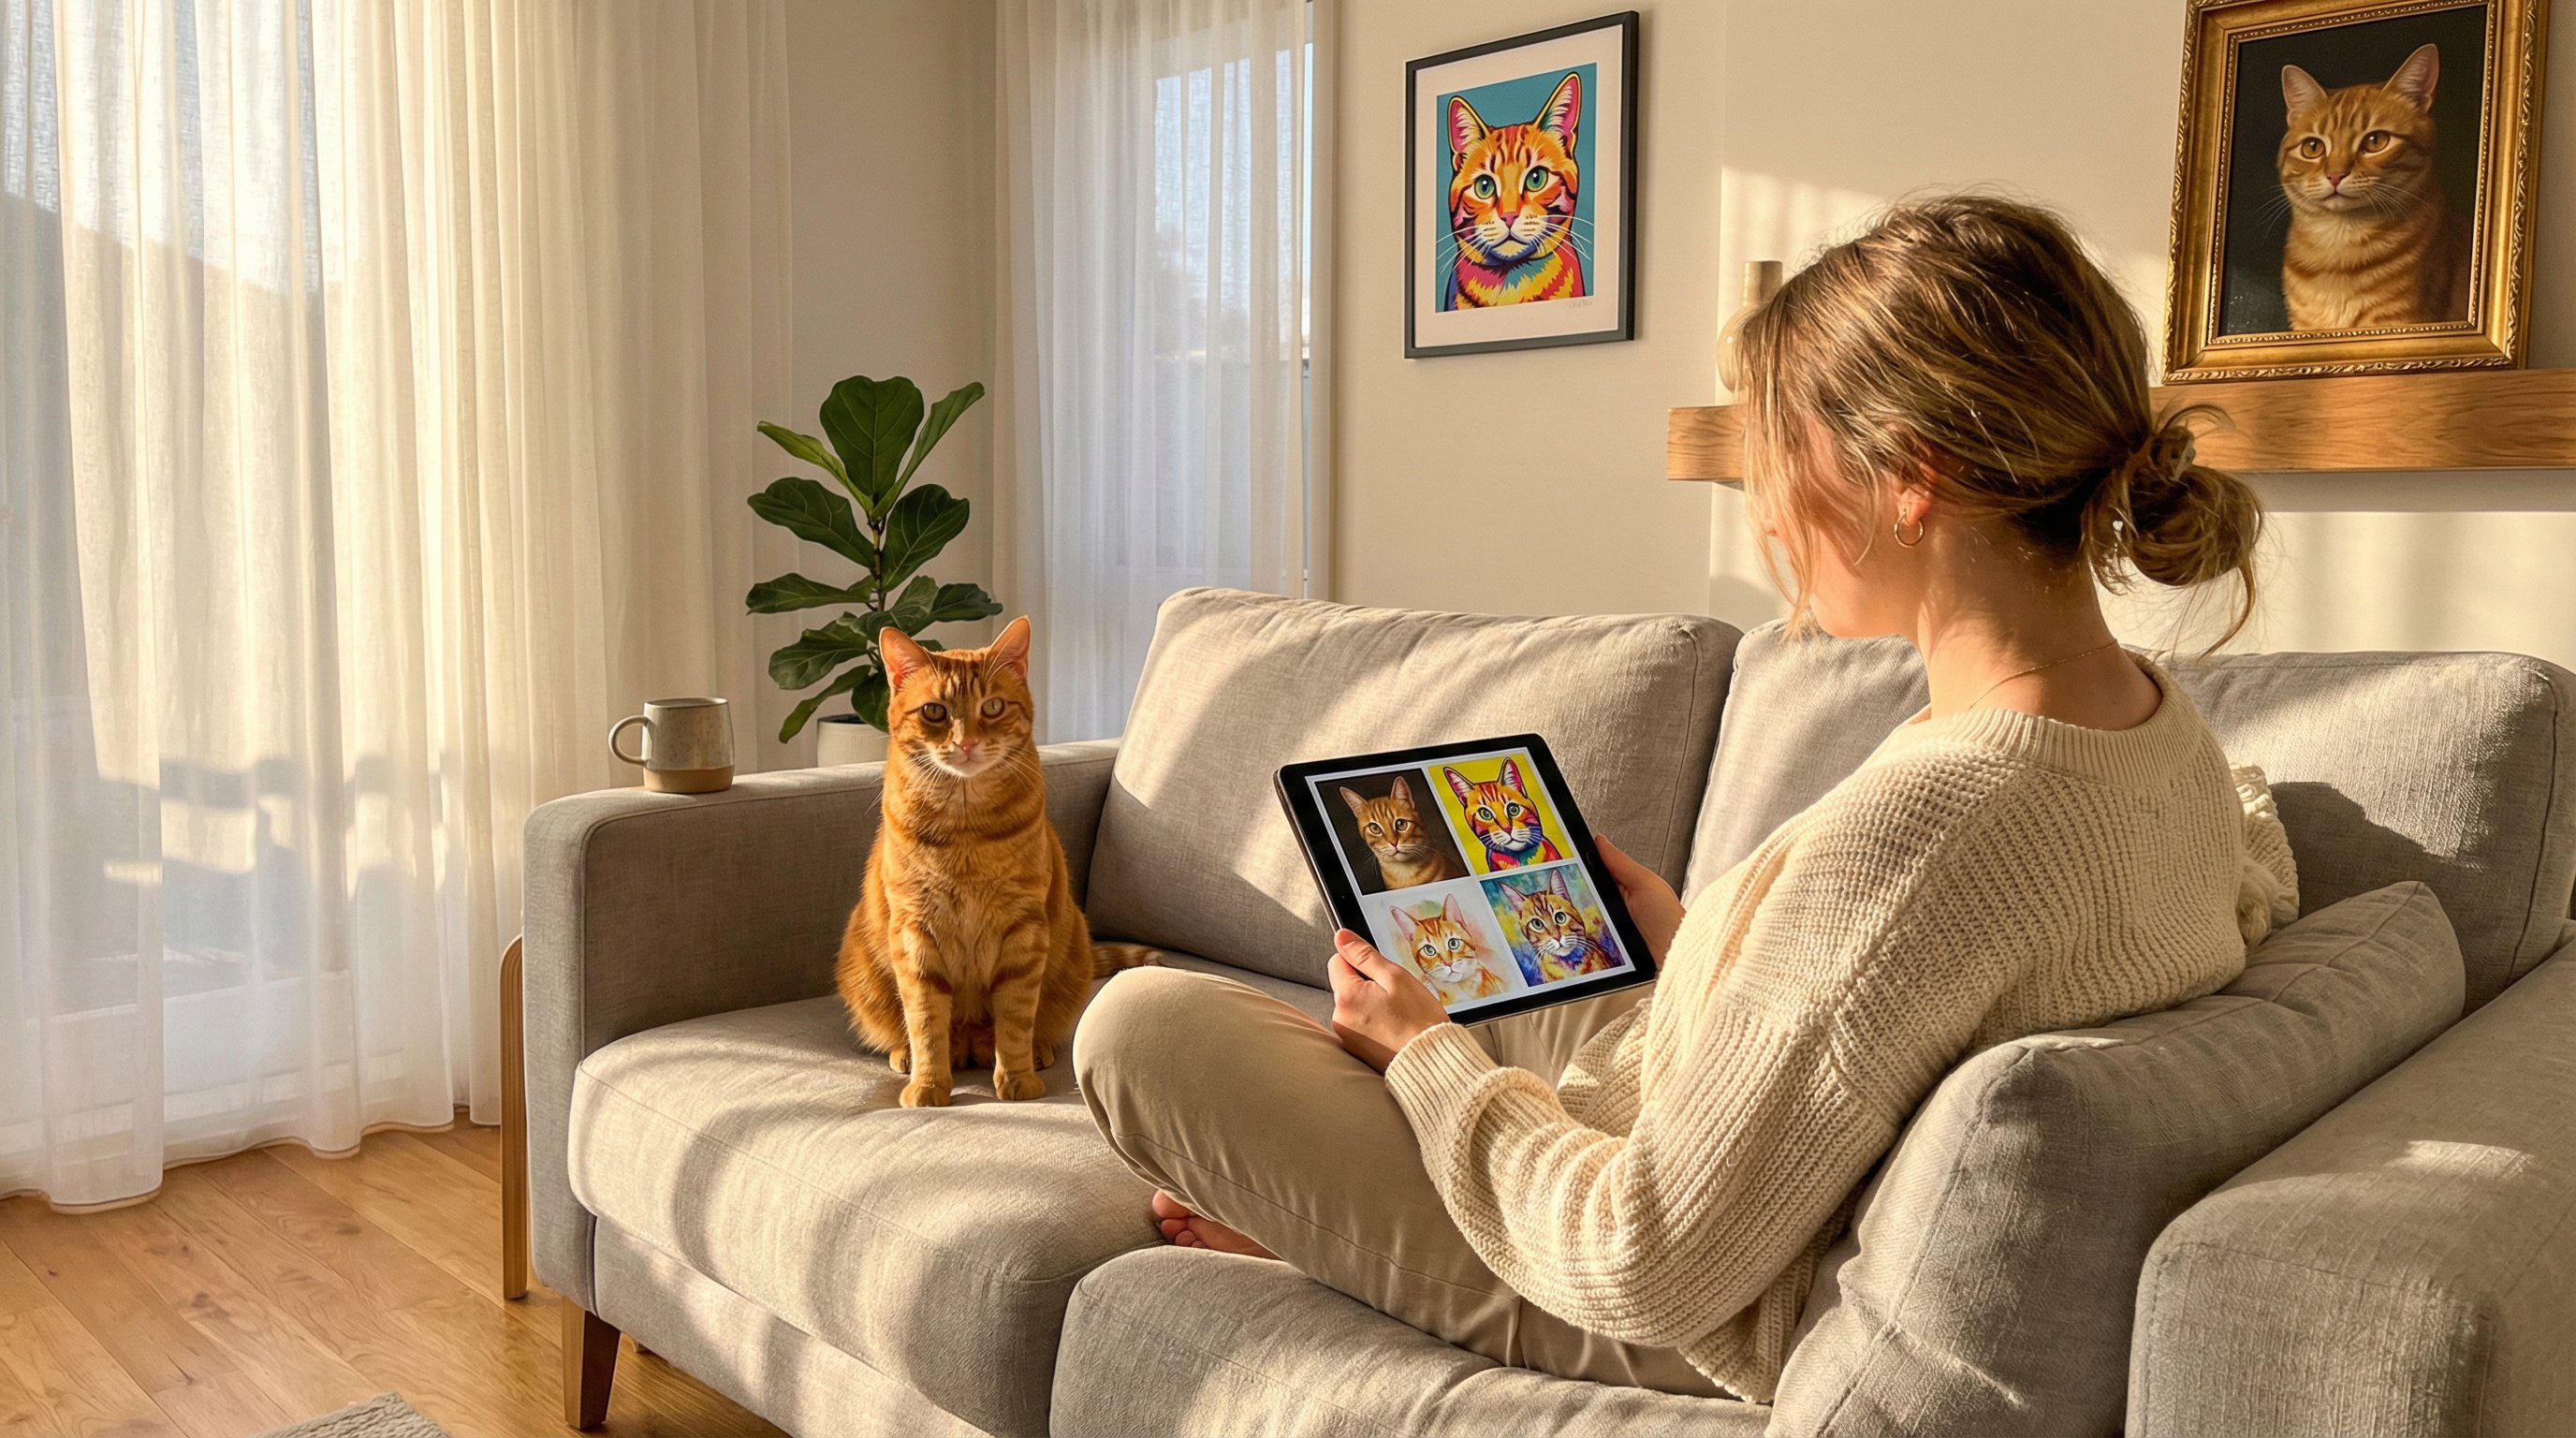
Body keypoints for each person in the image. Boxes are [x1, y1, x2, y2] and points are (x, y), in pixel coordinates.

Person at [1073, 193, 2293, 1403]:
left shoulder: (1944, 819)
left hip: (1687, 1298)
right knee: (1485, 949)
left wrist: (1427, 1059)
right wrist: (1700, 940)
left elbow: (1647, 1258)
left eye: (1779, 456)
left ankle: (1330, 1230)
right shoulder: (2151, 727)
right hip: (1700, 1129)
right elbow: (1910, 988)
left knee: (1144, 1031)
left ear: (1912, 477)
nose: (1763, 512)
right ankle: (1367, 1160)